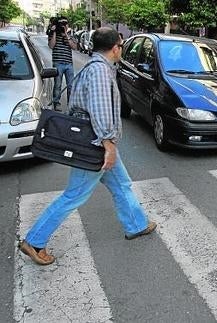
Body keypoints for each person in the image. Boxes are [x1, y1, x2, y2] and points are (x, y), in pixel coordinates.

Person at [17, 27, 157, 266]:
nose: (121, 49)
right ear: (115, 48)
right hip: (95, 145)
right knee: (74, 194)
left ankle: (136, 224)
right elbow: (101, 112)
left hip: (96, 142)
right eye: (121, 45)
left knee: (121, 184)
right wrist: (108, 146)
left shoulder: (93, 67)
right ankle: (34, 240)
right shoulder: (101, 72)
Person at [48, 16, 77, 111]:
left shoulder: (69, 34)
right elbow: (51, 45)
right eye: (62, 24)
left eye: (65, 24)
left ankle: (71, 104)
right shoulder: (52, 33)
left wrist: (66, 34)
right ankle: (56, 103)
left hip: (69, 64)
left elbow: (74, 47)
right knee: (58, 85)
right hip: (58, 63)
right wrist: (55, 32)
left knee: (71, 85)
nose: (63, 26)